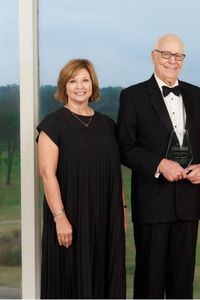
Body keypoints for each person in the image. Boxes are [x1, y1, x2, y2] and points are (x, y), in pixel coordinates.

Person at [117, 33, 200, 299]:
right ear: (153, 56)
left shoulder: (198, 96)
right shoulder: (133, 96)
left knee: (183, 284)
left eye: (178, 56)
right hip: (152, 204)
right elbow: (125, 148)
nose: (173, 61)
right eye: (166, 54)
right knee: (149, 281)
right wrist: (159, 164)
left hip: (187, 204)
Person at [37, 59, 126, 298]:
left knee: (105, 276)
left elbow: (114, 173)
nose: (79, 86)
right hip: (70, 216)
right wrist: (60, 218)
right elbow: (47, 174)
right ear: (64, 87)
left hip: (106, 216)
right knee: (70, 279)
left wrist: (122, 210)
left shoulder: (108, 125)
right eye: (73, 81)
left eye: (85, 80)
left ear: (93, 84)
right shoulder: (52, 124)